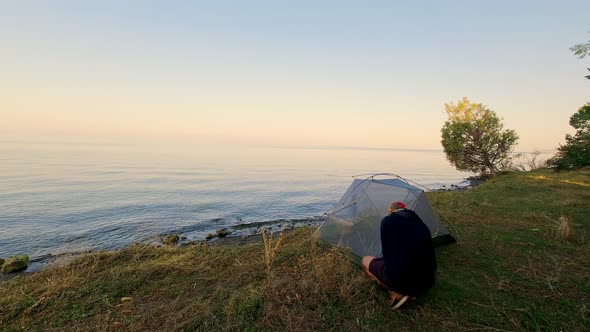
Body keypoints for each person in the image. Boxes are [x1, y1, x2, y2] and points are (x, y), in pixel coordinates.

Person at [361, 201, 437, 308]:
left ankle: (397, 291)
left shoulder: (387, 221)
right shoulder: (419, 221)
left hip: (403, 281)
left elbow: (387, 253)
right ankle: (409, 290)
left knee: (365, 260)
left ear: (391, 210)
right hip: (428, 280)